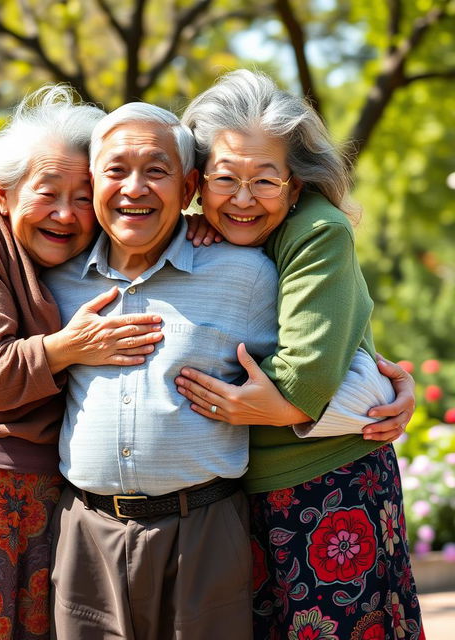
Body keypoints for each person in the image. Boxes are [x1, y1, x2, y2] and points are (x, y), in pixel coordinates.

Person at [0, 86, 166, 640]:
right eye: (48, 193)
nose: (67, 214)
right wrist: (72, 346)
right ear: (4, 192)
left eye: (85, 196)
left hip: (54, 485)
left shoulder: (88, 255)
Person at [177, 69, 423, 639]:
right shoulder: (191, 232)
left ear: (295, 183)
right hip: (242, 492)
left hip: (330, 485)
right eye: (224, 179)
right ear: (196, 181)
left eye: (265, 181)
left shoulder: (318, 231)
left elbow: (302, 383)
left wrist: (251, 406)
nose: (243, 200)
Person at [41, 102, 284, 639]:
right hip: (87, 531)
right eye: (115, 170)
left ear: (189, 185)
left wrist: (387, 385)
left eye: (156, 170)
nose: (134, 187)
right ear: (92, 179)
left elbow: (317, 358)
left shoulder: (244, 274)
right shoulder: (56, 280)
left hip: (204, 530)